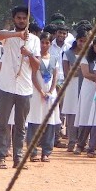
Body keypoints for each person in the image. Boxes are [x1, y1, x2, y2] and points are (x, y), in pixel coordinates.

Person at [0, 6, 41, 169]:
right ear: (14, 19)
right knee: (3, 123)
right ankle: (1, 157)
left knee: (21, 125)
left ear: (28, 20)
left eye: (24, 18)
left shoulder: (34, 40)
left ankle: (18, 157)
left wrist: (29, 54)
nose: (22, 20)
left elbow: (37, 66)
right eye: (19, 18)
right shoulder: (8, 37)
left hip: (25, 87)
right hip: (6, 85)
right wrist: (17, 35)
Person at [27, 32, 60, 162]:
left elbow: (55, 76)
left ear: (51, 44)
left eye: (47, 43)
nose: (44, 45)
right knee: (35, 121)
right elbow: (33, 76)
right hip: (37, 93)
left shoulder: (54, 58)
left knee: (49, 122)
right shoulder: (36, 58)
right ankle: (33, 151)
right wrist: (41, 91)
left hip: (50, 95)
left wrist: (51, 91)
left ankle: (46, 152)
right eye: (42, 42)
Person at [74, 35, 96, 154]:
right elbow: (86, 74)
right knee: (85, 116)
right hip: (89, 89)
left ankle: (93, 146)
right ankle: (80, 144)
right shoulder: (85, 58)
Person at [61, 31, 88, 151]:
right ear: (76, 40)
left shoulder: (89, 55)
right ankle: (71, 142)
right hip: (72, 86)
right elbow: (68, 73)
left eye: (85, 41)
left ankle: (83, 142)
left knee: (84, 113)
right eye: (81, 40)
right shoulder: (68, 54)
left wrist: (79, 70)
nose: (83, 43)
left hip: (86, 86)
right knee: (72, 114)